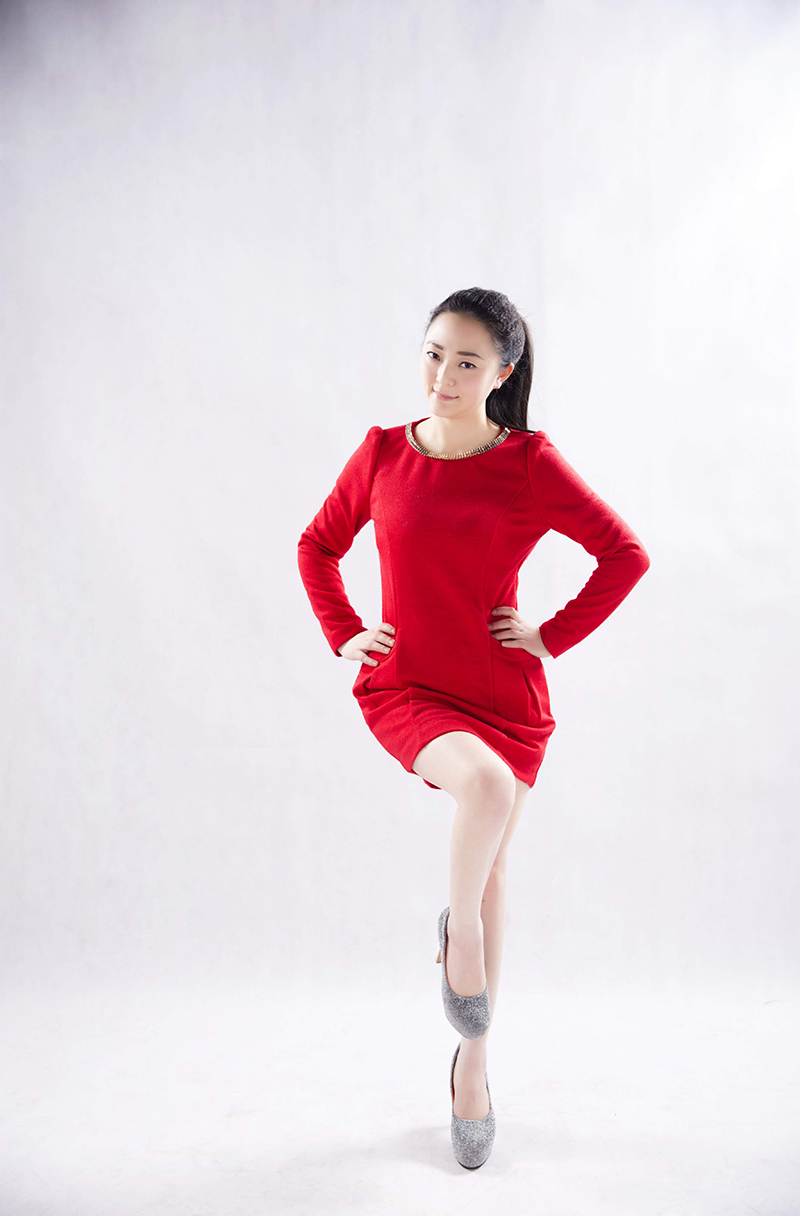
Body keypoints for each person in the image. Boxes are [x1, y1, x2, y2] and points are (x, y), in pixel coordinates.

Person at [296, 286, 651, 1169]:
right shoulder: (382, 453)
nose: (442, 376)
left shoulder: (528, 462)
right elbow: (317, 545)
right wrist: (345, 632)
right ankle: (459, 934)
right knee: (483, 792)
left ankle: (474, 1071)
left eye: (465, 362)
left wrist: (550, 636)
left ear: (503, 372)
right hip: (408, 685)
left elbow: (625, 554)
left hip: (502, 694)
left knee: (491, 867)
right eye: (433, 354)